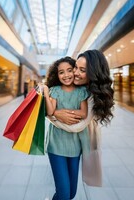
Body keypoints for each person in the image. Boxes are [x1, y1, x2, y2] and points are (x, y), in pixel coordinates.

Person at [47, 49, 115, 191]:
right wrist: (53, 112)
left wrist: (53, 115)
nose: (75, 73)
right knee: (64, 192)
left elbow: (77, 126)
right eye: (76, 67)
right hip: (59, 145)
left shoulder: (90, 94)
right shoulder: (66, 88)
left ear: (93, 73)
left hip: (77, 144)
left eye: (82, 70)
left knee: (71, 192)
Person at [41, 56, 90, 200]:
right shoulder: (55, 90)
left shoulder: (81, 91)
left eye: (69, 70)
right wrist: (45, 92)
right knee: (63, 194)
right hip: (56, 145)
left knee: (72, 193)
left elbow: (84, 113)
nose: (66, 75)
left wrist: (65, 114)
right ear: (56, 75)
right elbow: (50, 111)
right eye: (61, 72)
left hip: (75, 147)